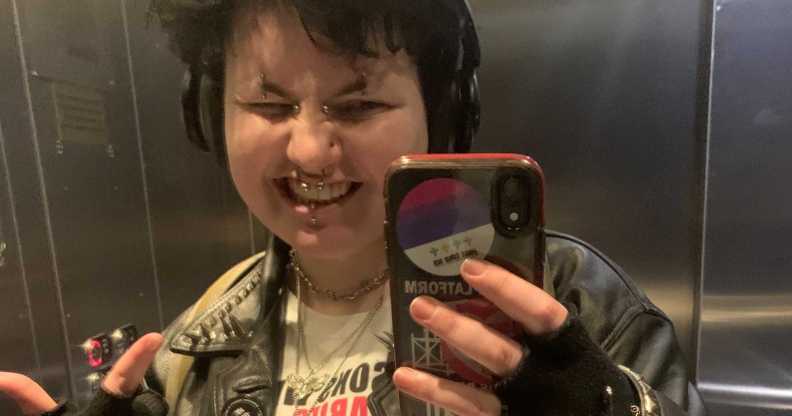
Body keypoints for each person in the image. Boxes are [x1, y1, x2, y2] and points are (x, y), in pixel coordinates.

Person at [0, 1, 706, 415]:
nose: (309, 151)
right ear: (212, 117)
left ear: (441, 116)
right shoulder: (195, 348)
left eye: (359, 104)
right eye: (268, 105)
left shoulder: (575, 303)